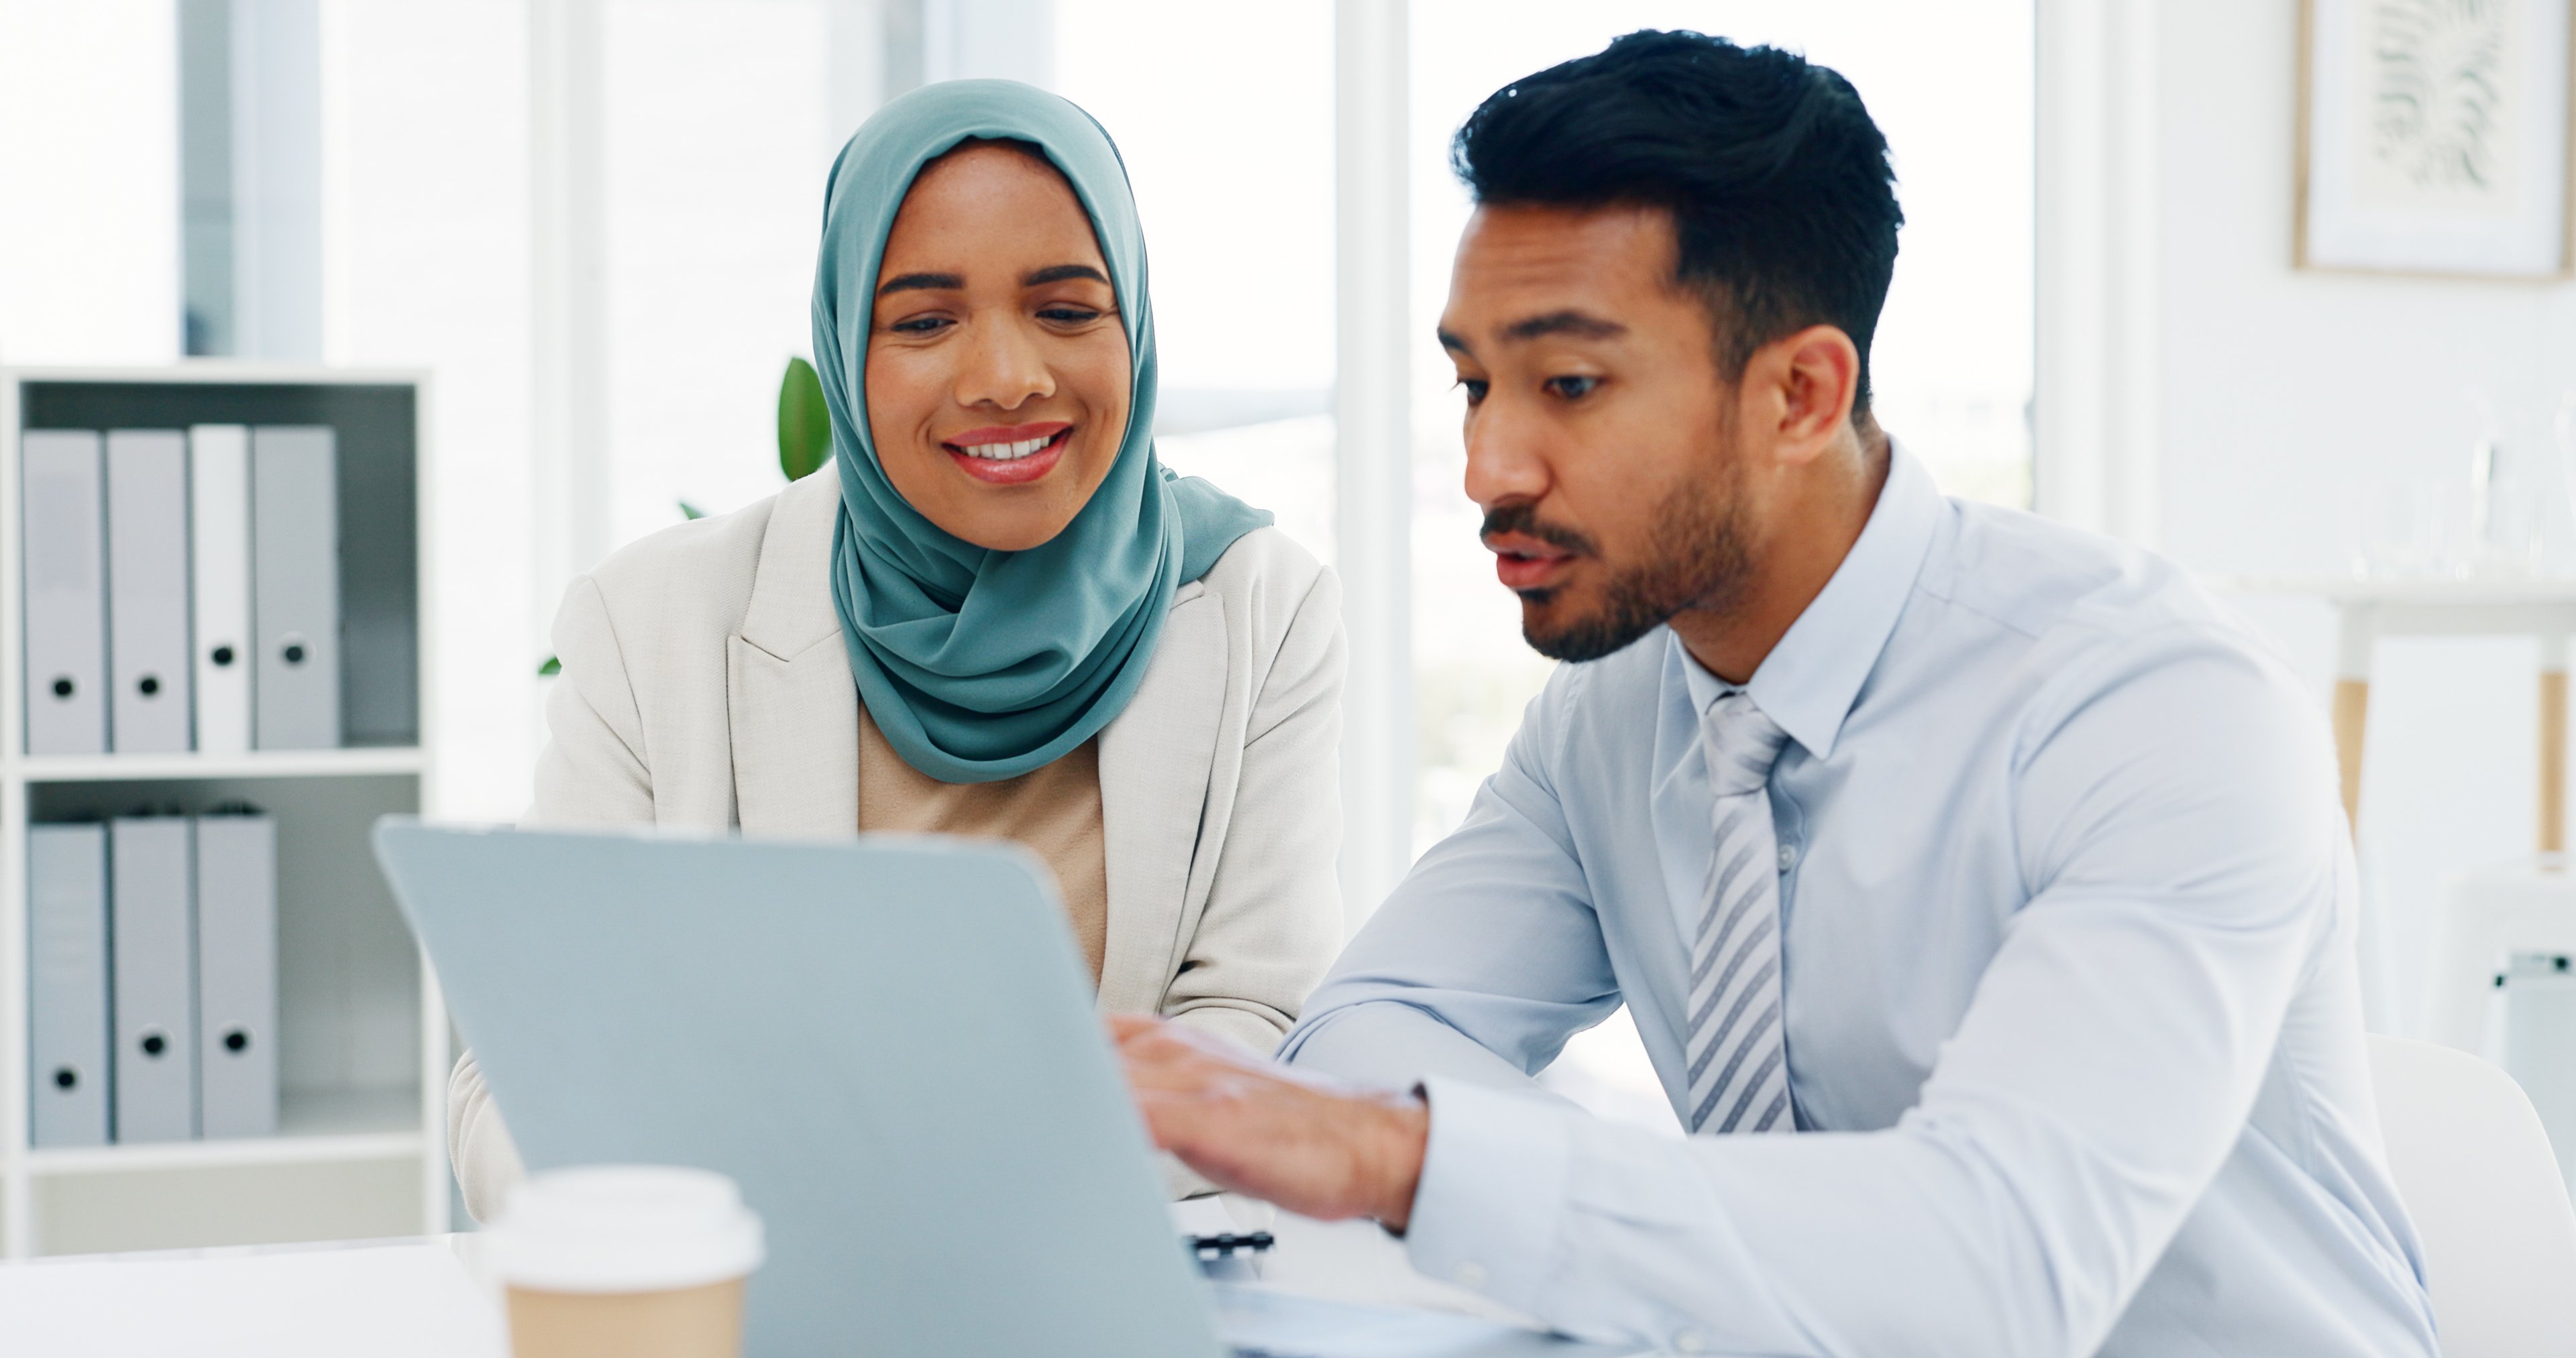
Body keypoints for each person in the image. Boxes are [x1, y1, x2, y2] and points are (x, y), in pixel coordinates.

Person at [1113, 31, 2435, 1357]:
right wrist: (1604, 1220)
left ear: (1801, 394)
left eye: (1569, 384)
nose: (1486, 465)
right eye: (1474, 383)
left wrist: (1437, 1165)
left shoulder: (2155, 707)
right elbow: (1370, 1029)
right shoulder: (1618, 711)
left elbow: (1999, 1267)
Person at [449, 80, 1346, 1219]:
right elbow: (518, 1079)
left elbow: (1261, 1027)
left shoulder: (1261, 606)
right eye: (925, 321)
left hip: (1102, 1285)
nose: (1007, 377)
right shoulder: (655, 621)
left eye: (1067, 309)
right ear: (843, 348)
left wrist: (957, 1184)